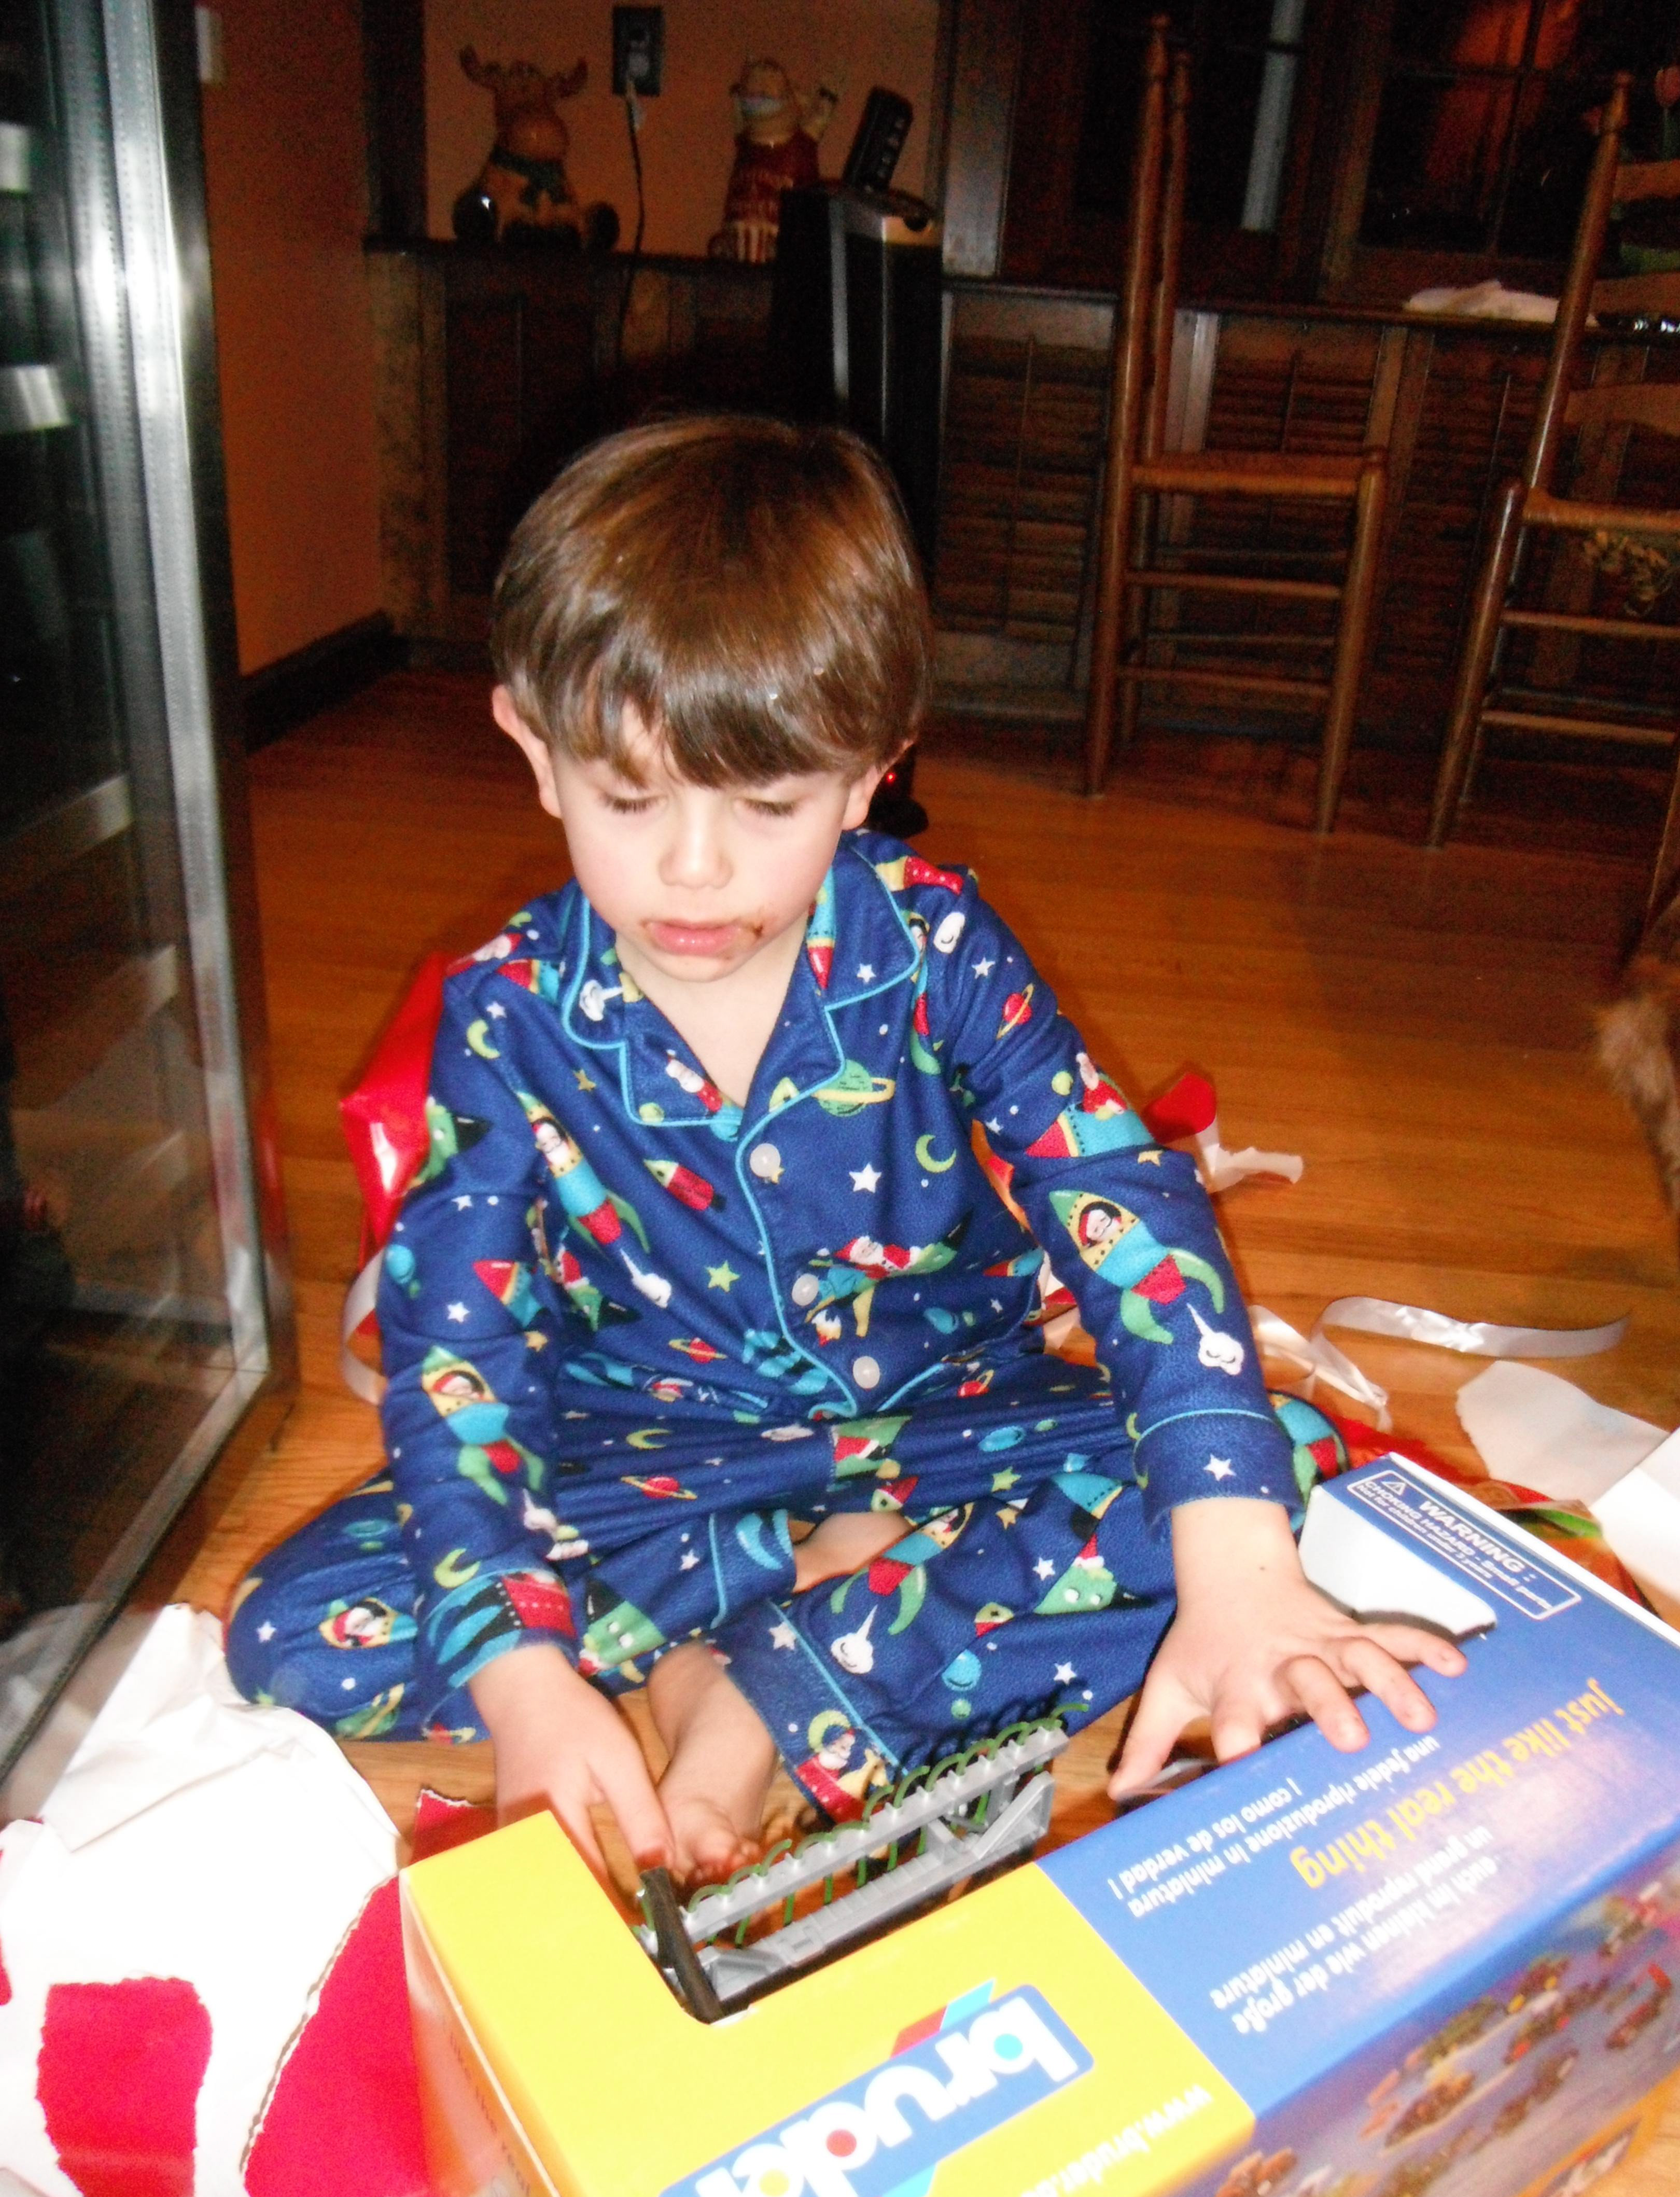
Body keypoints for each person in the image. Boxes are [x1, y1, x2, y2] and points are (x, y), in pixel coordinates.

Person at [227, 417, 1463, 1889]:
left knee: (1286, 1478)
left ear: (874, 772)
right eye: (629, 797)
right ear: (534, 751)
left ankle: (744, 1695)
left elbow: (1121, 1198)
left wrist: (1239, 1565)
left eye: (767, 805)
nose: (694, 868)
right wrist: (522, 1679)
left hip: (948, 1421)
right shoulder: (503, 1015)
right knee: (291, 1631)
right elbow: (459, 1362)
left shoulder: (937, 941)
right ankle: (801, 1621)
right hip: (646, 1463)